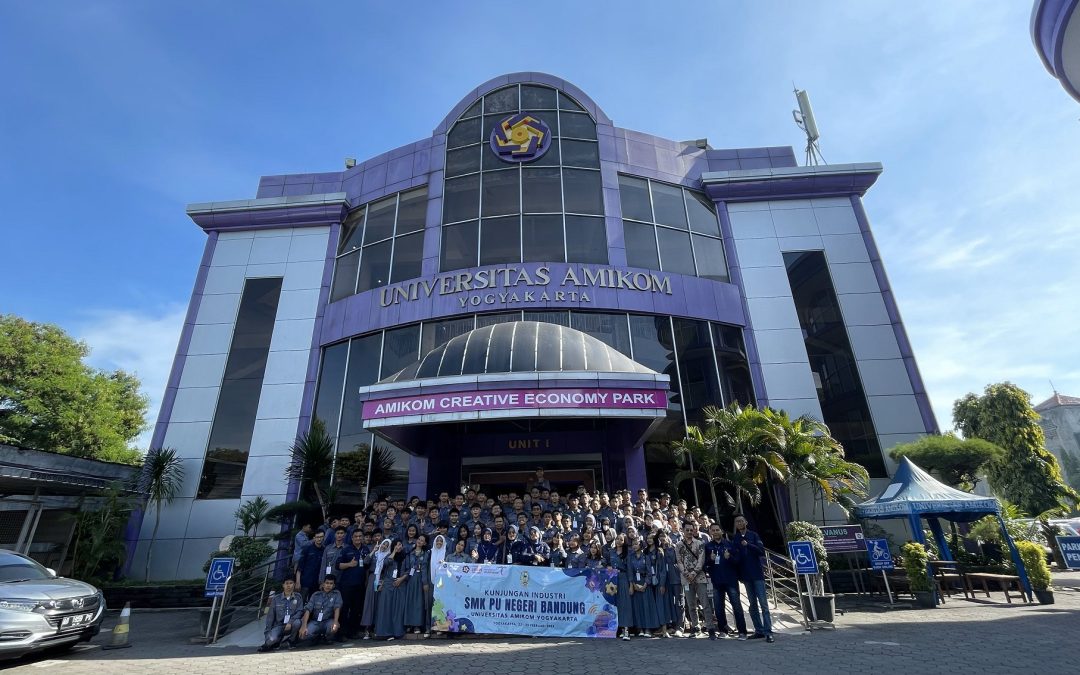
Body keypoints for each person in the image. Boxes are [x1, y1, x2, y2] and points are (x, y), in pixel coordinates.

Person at [733, 515, 773, 643]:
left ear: (746, 522)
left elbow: (761, 551)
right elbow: (736, 556)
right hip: (746, 576)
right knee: (752, 605)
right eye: (737, 522)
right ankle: (759, 630)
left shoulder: (753, 535)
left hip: (757, 575)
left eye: (741, 521)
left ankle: (768, 632)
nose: (739, 523)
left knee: (764, 604)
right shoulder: (736, 538)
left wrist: (748, 545)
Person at [704, 524, 747, 640]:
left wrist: (730, 558)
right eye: (713, 530)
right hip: (717, 581)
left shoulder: (730, 544)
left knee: (736, 606)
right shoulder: (707, 546)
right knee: (718, 607)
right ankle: (723, 630)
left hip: (731, 580)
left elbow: (738, 561)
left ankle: (742, 631)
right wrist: (710, 560)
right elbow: (704, 565)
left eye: (717, 530)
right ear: (710, 532)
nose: (715, 532)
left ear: (722, 531)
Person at [676, 521, 716, 639]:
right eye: (687, 530)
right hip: (686, 578)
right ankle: (696, 626)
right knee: (691, 605)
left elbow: (701, 559)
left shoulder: (700, 543)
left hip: (699, 577)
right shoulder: (678, 545)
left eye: (691, 530)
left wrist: (694, 572)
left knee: (705, 604)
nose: (689, 532)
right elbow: (679, 561)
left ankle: (710, 627)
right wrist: (686, 573)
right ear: (682, 530)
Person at [337, 529, 369, 640]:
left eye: (360, 536)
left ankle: (353, 632)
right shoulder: (346, 549)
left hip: (360, 584)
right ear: (352, 538)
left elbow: (367, 567)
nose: (358, 538)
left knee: (357, 609)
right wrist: (349, 564)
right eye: (356, 536)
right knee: (345, 609)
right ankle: (342, 633)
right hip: (347, 584)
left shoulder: (366, 549)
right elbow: (338, 565)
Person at [628, 536, 661, 637]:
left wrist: (645, 584)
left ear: (641, 545)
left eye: (636, 544)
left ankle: (648, 629)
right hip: (635, 583)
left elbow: (649, 572)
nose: (634, 546)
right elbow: (630, 572)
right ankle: (640, 629)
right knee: (638, 607)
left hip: (645, 584)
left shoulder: (646, 557)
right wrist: (633, 584)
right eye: (633, 544)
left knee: (647, 606)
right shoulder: (630, 557)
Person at [259, 578, 303, 652]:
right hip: (279, 625)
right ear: (283, 585)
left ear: (294, 584)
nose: (289, 585)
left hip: (291, 625)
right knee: (270, 640)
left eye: (291, 583)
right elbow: (270, 617)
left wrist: (290, 622)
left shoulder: (298, 597)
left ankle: (291, 641)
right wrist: (267, 633)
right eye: (287, 583)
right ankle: (278, 641)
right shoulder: (276, 599)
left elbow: (300, 612)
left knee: (297, 622)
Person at [374, 540, 407, 640]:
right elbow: (387, 563)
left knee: (397, 610)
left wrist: (401, 579)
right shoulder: (389, 555)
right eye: (396, 545)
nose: (398, 547)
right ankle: (384, 633)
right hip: (388, 585)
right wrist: (393, 552)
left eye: (400, 544)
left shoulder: (405, 556)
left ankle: (396, 632)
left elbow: (409, 570)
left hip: (400, 584)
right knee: (386, 609)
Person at [298, 575, 342, 647]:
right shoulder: (316, 595)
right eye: (327, 583)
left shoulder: (336, 594)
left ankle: (327, 638)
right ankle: (316, 638)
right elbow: (308, 610)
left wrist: (336, 621)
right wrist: (304, 625)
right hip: (315, 622)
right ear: (323, 584)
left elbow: (337, 608)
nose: (328, 585)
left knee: (332, 628)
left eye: (331, 584)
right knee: (303, 636)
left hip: (328, 621)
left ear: (334, 585)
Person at [358, 538, 389, 640]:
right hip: (372, 579)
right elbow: (366, 562)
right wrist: (373, 551)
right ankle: (367, 628)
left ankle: (376, 628)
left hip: (381, 580)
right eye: (383, 544)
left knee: (378, 603)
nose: (384, 546)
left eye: (386, 545)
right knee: (369, 602)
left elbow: (387, 570)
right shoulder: (375, 554)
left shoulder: (388, 556)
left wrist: (383, 582)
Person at [608, 533, 633, 641]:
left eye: (621, 540)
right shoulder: (611, 552)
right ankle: (615, 629)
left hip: (623, 578)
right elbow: (607, 563)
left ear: (625, 541)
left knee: (624, 604)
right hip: (612, 579)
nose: (618, 541)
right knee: (614, 604)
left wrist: (631, 584)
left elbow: (630, 569)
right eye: (617, 539)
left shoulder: (628, 553)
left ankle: (626, 630)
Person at [403, 534, 428, 635]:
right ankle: (409, 624)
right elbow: (407, 568)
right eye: (419, 539)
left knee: (418, 602)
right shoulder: (410, 553)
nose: (420, 541)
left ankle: (417, 625)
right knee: (410, 601)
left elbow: (424, 568)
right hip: (411, 578)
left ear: (425, 543)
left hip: (420, 578)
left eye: (422, 540)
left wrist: (425, 582)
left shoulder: (425, 554)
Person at [296, 530, 326, 601]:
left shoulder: (325, 550)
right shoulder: (307, 549)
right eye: (317, 537)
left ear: (324, 538)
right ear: (314, 538)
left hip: (317, 583)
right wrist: (298, 582)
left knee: (313, 604)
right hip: (305, 581)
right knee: (300, 602)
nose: (319, 539)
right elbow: (300, 567)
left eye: (321, 537)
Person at [426, 534, 447, 637]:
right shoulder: (430, 552)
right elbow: (425, 568)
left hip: (442, 583)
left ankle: (439, 627)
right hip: (430, 582)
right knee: (429, 604)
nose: (439, 542)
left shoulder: (446, 553)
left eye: (441, 541)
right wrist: (425, 582)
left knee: (439, 605)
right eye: (437, 541)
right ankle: (428, 628)